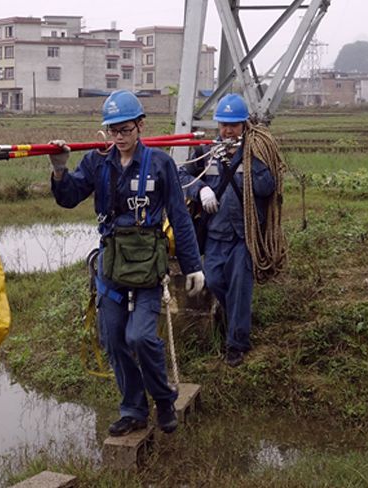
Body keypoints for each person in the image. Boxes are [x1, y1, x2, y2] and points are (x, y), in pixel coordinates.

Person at [49, 90, 205, 437]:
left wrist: (193, 265)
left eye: (126, 130)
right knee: (114, 339)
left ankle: (163, 399)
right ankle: (133, 409)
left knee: (140, 337)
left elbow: (179, 217)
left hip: (148, 263)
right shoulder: (97, 162)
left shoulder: (161, 164)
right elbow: (70, 197)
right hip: (111, 263)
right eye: (114, 130)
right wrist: (60, 170)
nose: (120, 138)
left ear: (140, 125)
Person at [179, 93, 275, 368]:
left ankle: (236, 344)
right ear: (217, 125)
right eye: (223, 124)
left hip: (244, 235)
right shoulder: (205, 153)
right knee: (215, 281)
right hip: (215, 234)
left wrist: (247, 160)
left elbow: (267, 187)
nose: (228, 130)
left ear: (244, 125)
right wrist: (202, 190)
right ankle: (235, 319)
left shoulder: (257, 152)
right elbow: (181, 175)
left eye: (233, 125)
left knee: (240, 287)